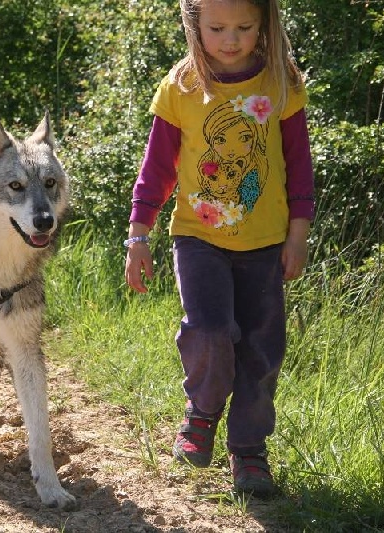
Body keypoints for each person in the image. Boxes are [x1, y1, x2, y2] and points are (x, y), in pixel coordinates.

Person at [124, 0, 314, 497]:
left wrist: (298, 234)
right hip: (198, 238)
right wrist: (138, 235)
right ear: (194, 24)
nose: (231, 39)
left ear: (264, 23)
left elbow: (299, 165)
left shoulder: (280, 82)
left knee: (262, 350)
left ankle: (249, 451)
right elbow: (157, 170)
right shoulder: (182, 86)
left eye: (245, 27)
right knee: (209, 330)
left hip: (266, 244)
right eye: (217, 27)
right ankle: (203, 411)